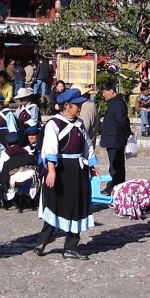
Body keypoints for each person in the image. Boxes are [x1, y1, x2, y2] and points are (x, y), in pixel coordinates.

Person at [34, 88, 98, 260]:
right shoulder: (54, 123)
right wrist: (51, 170)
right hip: (61, 169)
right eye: (76, 105)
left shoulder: (79, 124)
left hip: (78, 169)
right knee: (55, 203)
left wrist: (91, 165)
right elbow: (49, 147)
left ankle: (71, 246)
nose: (79, 108)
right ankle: (43, 240)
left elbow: (87, 146)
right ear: (67, 106)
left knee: (77, 205)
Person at [100, 81, 132, 193]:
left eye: (104, 92)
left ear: (111, 91)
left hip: (116, 139)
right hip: (113, 139)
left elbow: (123, 121)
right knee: (114, 166)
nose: (103, 95)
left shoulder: (118, 103)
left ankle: (115, 187)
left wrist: (128, 133)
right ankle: (114, 186)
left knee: (116, 166)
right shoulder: (114, 102)